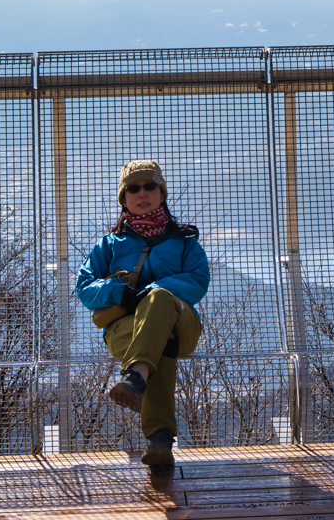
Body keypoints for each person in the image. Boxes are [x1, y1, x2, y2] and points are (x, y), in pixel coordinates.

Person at [76, 159, 210, 467]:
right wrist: (120, 292)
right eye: (133, 188)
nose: (142, 193)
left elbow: (198, 281)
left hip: (181, 324)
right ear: (123, 198)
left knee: (160, 297)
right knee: (159, 347)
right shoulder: (108, 245)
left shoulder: (185, 241)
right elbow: (84, 287)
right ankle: (159, 439)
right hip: (126, 331)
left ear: (162, 193)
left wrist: (151, 293)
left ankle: (135, 379)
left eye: (150, 186)